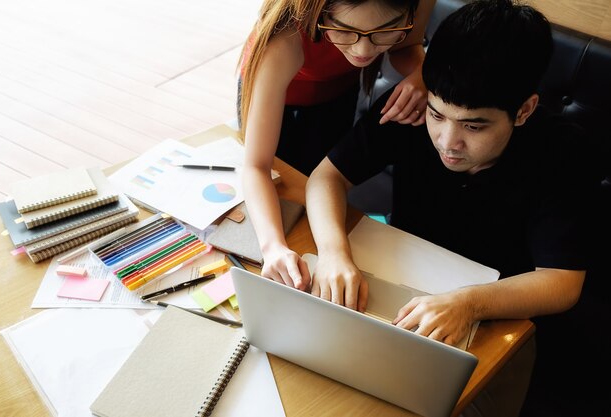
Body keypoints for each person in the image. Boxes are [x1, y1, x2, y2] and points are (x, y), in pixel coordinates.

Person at [305, 1, 602, 414]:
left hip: (500, 316)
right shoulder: (410, 105)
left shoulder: (564, 152)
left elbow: (562, 283)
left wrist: (467, 304)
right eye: (437, 115)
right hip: (405, 283)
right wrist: (334, 253)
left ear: (524, 110)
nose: (447, 141)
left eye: (474, 126)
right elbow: (326, 177)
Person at [238, 0, 435, 290]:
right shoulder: (284, 35)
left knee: (314, 199)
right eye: (346, 31)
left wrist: (425, 75)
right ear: (319, 11)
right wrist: (273, 249)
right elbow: (256, 166)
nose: (364, 51)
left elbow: (405, 47)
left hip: (340, 88)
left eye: (385, 30)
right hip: (284, 94)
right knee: (284, 203)